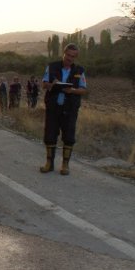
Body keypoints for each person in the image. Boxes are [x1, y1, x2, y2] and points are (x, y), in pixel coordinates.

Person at [40, 43, 88, 175]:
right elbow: (44, 84)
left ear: (76, 57)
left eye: (73, 56)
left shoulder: (79, 70)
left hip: (70, 108)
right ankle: (49, 164)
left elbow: (83, 90)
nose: (70, 58)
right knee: (50, 134)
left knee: (69, 136)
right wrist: (51, 85)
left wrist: (72, 90)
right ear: (64, 53)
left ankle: (65, 166)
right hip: (53, 107)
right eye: (68, 55)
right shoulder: (52, 66)